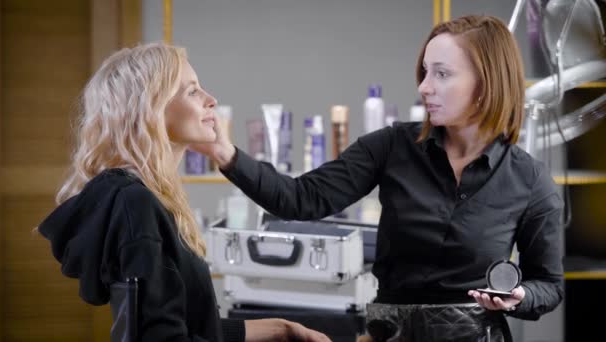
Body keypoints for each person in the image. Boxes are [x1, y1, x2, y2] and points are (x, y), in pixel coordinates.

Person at [195, 15, 564, 342]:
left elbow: (547, 285)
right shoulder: (391, 146)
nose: (424, 86)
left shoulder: (530, 180)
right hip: (389, 333)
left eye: (442, 73)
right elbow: (300, 198)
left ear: (486, 84)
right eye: (425, 72)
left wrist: (520, 297)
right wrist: (225, 154)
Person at [38, 43, 331, 342]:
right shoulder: (134, 202)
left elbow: (188, 327)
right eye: (192, 92)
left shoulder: (145, 196)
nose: (212, 100)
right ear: (151, 108)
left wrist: (281, 329)